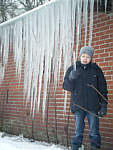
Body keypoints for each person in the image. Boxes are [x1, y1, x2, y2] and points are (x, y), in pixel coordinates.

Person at [62, 46, 108, 150]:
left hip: (93, 106)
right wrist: (71, 78)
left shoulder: (96, 70)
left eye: (87, 56)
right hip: (78, 106)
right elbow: (66, 86)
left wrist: (104, 105)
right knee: (78, 131)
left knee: (94, 132)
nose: (85, 58)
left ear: (91, 58)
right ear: (80, 56)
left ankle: (95, 147)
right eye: (83, 56)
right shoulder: (73, 68)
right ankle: (75, 147)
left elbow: (103, 89)